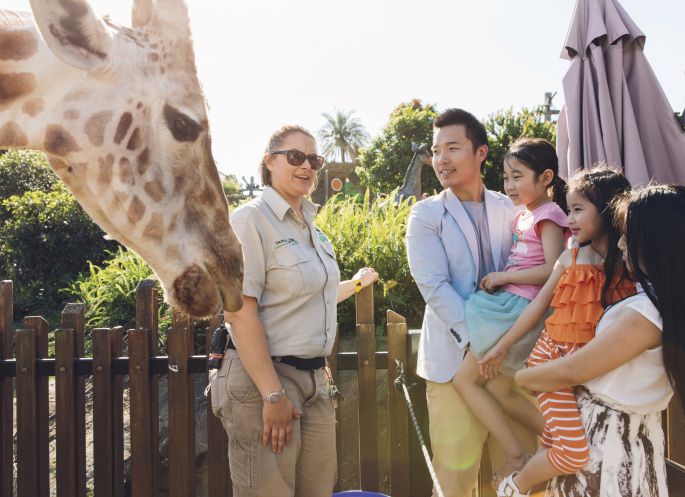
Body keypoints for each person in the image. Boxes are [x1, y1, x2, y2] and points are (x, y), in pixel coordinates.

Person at [208, 124, 379, 497]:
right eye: (295, 157)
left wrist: (359, 283)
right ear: (269, 162)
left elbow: (314, 295)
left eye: (314, 160)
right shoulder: (250, 220)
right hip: (265, 380)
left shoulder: (313, 229)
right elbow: (238, 312)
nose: (307, 167)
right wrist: (272, 394)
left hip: (314, 381)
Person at [515, 184, 685, 497]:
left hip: (607, 442)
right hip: (629, 438)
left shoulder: (647, 313)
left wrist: (524, 376)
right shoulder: (666, 302)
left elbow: (573, 371)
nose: (622, 242)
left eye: (629, 233)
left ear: (657, 242)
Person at [478, 166, 637, 497]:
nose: (570, 219)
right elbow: (537, 308)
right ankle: (514, 487)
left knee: (553, 442)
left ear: (607, 210)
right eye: (568, 209)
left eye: (578, 209)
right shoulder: (570, 257)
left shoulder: (628, 264)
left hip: (581, 375)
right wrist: (502, 346)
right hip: (550, 369)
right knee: (573, 452)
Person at [406, 108, 538, 497]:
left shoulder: (514, 206)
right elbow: (434, 286)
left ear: (480, 152)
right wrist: (479, 344)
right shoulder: (426, 214)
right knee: (454, 481)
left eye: (452, 148)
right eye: (435, 151)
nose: (441, 159)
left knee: (523, 474)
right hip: (453, 363)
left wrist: (503, 346)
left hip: (513, 362)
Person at [452, 138, 570, 485]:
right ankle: (558, 441)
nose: (509, 185)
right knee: (500, 390)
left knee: (464, 379)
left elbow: (553, 269)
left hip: (517, 309)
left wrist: (505, 276)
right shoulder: (525, 214)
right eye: (505, 178)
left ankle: (520, 453)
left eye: (517, 176)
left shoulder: (549, 214)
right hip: (510, 305)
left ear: (546, 177)